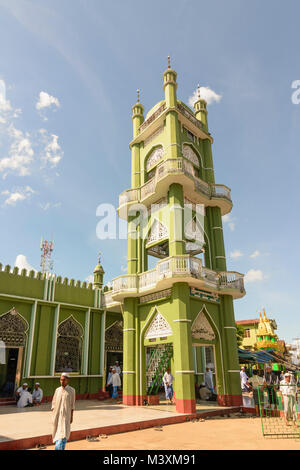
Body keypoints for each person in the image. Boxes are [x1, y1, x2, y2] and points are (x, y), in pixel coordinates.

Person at [51, 373, 76, 451]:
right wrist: (53, 414)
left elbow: (72, 405)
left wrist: (71, 416)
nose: (62, 381)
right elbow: (53, 402)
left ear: (67, 380)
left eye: (64, 380)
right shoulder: (57, 390)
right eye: (61, 380)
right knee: (56, 431)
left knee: (63, 432)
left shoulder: (71, 390)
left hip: (66, 415)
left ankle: (59, 448)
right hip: (57, 415)